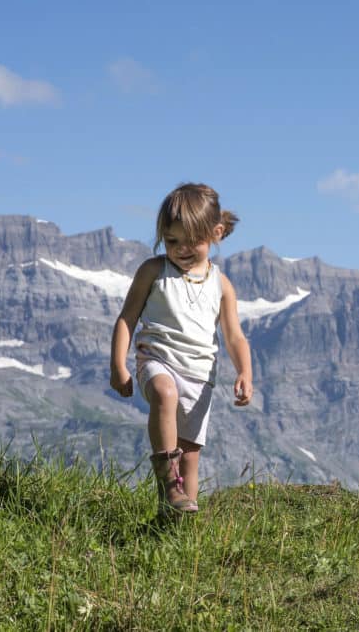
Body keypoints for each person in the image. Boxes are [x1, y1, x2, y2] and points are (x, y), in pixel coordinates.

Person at [109, 182, 252, 513]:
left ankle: (178, 525)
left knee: (189, 460)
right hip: (158, 361)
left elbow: (234, 336)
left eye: (193, 242)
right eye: (172, 241)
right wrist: (119, 364)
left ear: (215, 234)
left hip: (200, 377)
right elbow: (127, 318)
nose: (182, 250)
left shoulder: (222, 284)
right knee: (164, 393)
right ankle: (166, 480)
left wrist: (245, 371)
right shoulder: (153, 271)